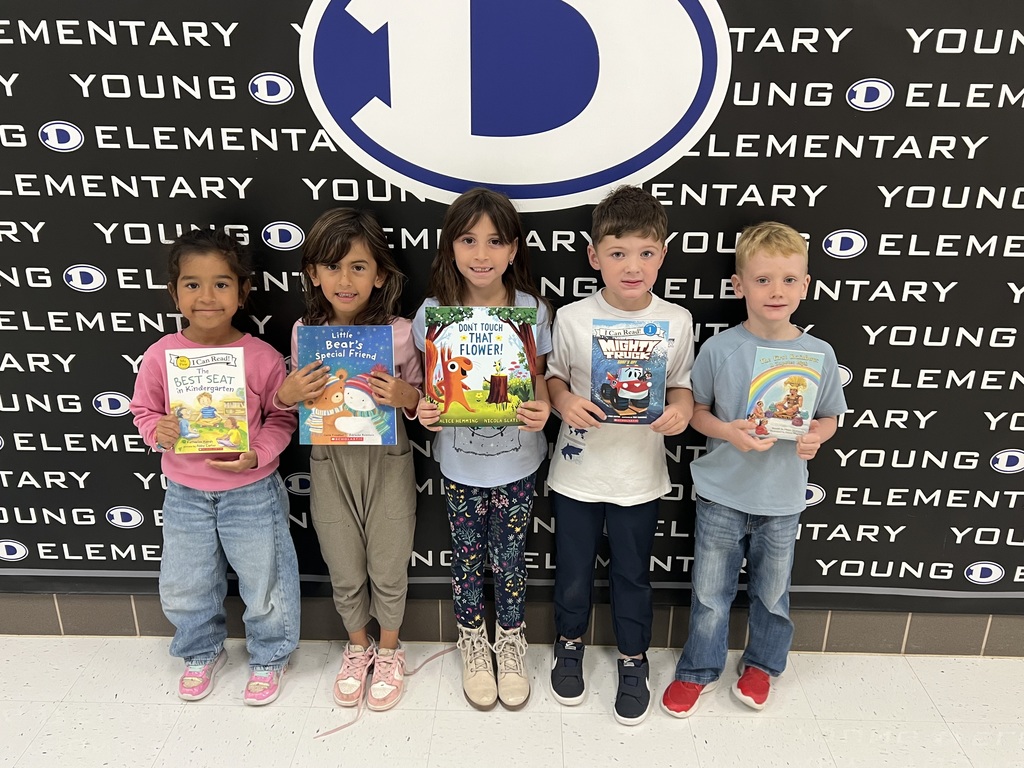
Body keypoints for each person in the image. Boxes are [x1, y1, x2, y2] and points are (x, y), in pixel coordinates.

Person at [661, 221, 847, 717]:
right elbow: (695, 411)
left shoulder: (819, 355)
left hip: (783, 499)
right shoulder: (720, 349)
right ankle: (698, 670)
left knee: (772, 595)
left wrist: (815, 437)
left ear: (806, 286)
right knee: (709, 593)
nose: (776, 291)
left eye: (789, 279)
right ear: (738, 285)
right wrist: (729, 431)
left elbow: (830, 417)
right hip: (722, 494)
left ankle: (762, 665)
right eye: (762, 279)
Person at [130, 229, 299, 706]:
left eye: (222, 284)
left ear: (243, 292)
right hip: (185, 491)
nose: (207, 297)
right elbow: (144, 412)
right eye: (192, 284)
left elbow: (282, 418)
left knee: (264, 579)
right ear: (174, 292)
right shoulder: (162, 356)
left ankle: (270, 655)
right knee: (185, 581)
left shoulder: (263, 357)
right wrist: (155, 431)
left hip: (251, 490)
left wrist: (258, 453)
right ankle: (201, 652)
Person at [545, 185, 695, 725]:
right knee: (573, 573)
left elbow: (681, 386)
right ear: (594, 257)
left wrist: (679, 410)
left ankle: (634, 659)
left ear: (663, 253)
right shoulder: (571, 317)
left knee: (633, 574)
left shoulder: (676, 321)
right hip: (578, 473)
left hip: (639, 476)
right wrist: (563, 402)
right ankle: (569, 644)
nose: (632, 266)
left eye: (646, 253)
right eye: (617, 253)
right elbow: (554, 377)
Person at [274, 208, 423, 712]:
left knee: (388, 556)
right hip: (330, 460)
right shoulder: (303, 331)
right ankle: (357, 645)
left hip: (387, 459)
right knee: (341, 557)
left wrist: (404, 393)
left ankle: (389, 648)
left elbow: (427, 401)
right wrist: (288, 390)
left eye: (358, 267)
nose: (344, 279)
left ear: (379, 274)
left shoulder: (400, 332)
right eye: (332, 267)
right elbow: (292, 394)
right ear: (313, 273)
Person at [413, 188, 551, 711]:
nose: (481, 254)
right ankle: (473, 640)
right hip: (459, 464)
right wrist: (426, 410)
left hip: (518, 462)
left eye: (495, 241)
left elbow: (540, 381)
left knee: (511, 557)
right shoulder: (433, 314)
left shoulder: (531, 310)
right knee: (467, 561)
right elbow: (430, 390)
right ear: (450, 247)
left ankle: (510, 639)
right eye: (468, 240)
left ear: (513, 250)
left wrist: (543, 409)